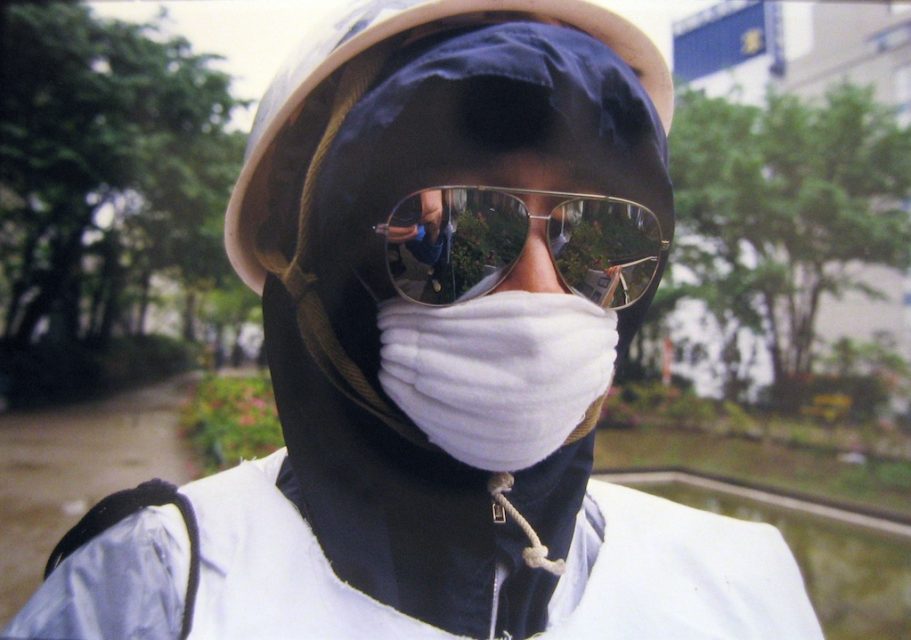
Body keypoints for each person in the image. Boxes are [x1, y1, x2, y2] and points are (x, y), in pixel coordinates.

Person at [4, 2, 824, 639]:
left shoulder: (741, 580)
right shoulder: (152, 590)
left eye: (601, 233)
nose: (538, 292)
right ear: (317, 256)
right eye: (452, 228)